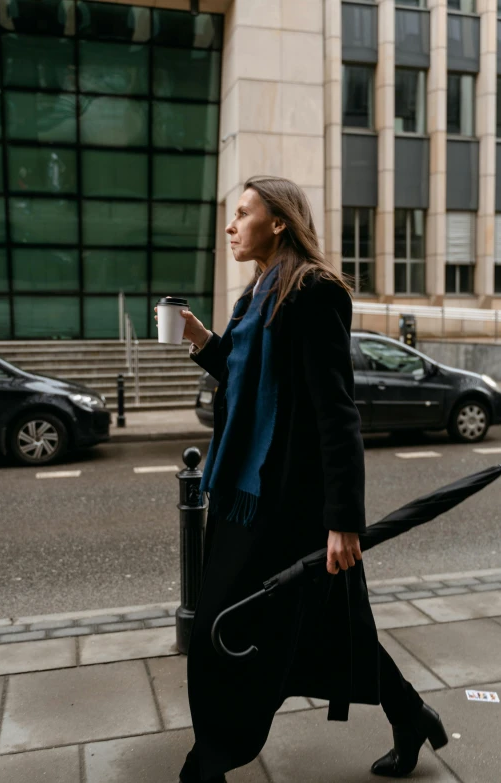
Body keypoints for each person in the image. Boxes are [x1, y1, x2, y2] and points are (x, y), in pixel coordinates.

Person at [156, 176, 448, 782]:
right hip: (244, 492)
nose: (231, 226)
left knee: (224, 628)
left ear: (280, 221)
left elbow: (336, 413)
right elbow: (243, 375)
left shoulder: (313, 292)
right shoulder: (254, 294)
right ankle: (411, 715)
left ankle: (208, 761)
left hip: (288, 504)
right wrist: (200, 339)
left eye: (243, 213)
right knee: (328, 627)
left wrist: (344, 520)